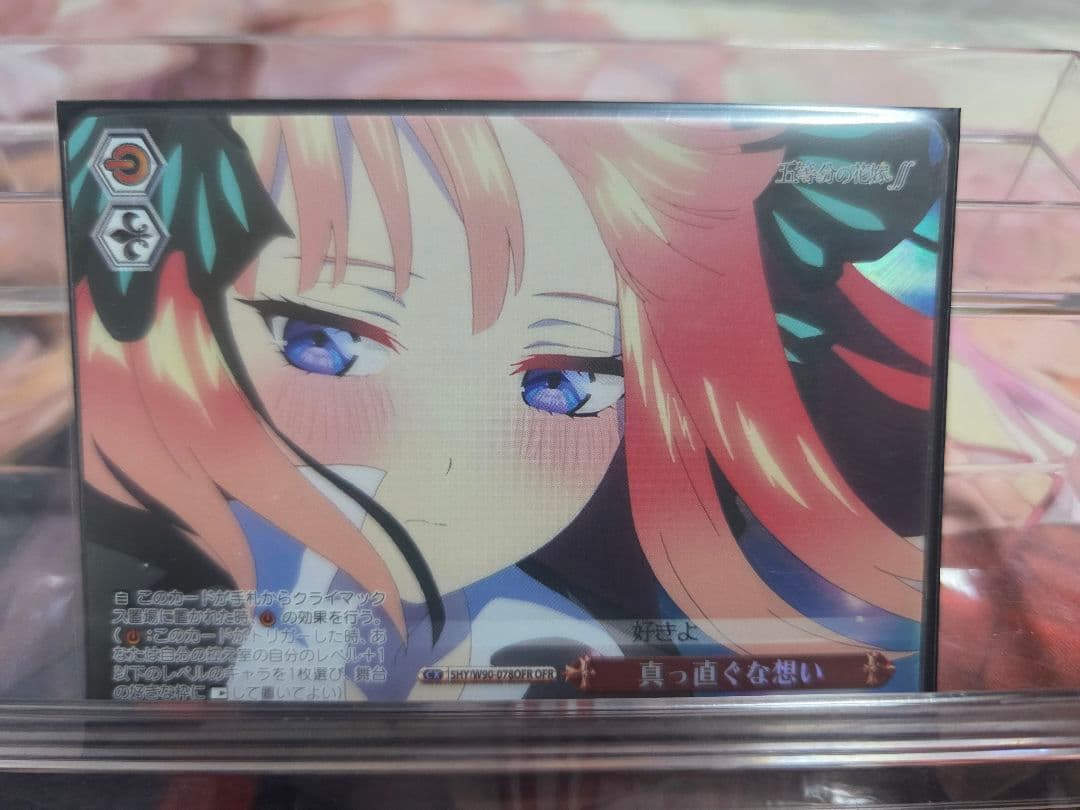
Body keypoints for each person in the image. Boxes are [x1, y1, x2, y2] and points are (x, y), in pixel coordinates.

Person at [67, 108, 940, 698]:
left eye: (561, 384)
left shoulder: (543, 649)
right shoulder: (141, 601)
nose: (444, 463)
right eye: (321, 342)